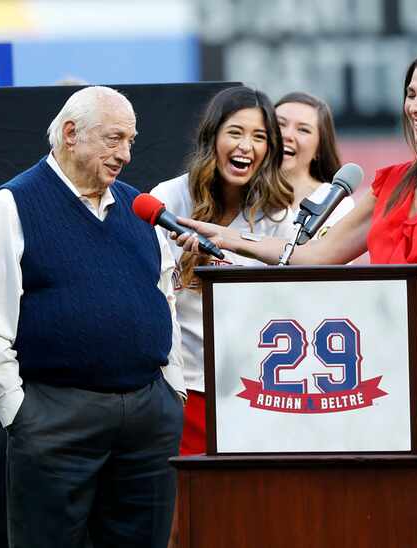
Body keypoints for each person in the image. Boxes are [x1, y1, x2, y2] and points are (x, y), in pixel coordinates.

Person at [0, 85, 186, 548]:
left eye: (131, 141)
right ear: (70, 134)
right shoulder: (13, 206)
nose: (125, 153)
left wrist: (172, 391)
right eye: (114, 138)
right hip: (56, 418)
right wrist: (21, 414)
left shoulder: (137, 207)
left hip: (146, 418)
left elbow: (164, 298)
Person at [174, 47, 417, 328]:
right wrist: (229, 238)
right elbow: (317, 255)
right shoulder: (391, 183)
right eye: (411, 94)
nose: (415, 107)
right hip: (382, 346)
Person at [150, 86, 296, 457]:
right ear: (212, 137)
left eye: (259, 137)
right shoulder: (169, 199)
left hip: (255, 391)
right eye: (235, 132)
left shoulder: (280, 215)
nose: (246, 145)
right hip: (182, 387)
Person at [275, 91, 354, 236]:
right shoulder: (240, 194)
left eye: (303, 129)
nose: (287, 135)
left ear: (319, 148)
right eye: (280, 124)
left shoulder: (335, 203)